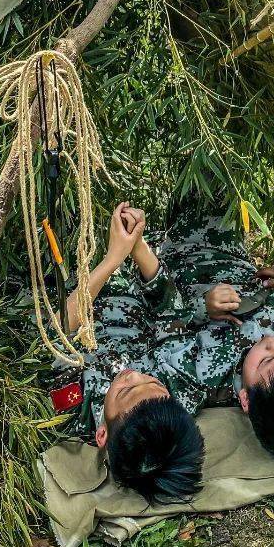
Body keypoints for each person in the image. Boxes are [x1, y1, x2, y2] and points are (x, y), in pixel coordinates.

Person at [144, 207, 274, 456]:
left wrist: (201, 308)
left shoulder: (206, 378)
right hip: (231, 250)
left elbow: (164, 330)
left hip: (178, 262)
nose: (273, 342)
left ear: (246, 400)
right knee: (220, 180)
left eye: (266, 360)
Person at [59, 203, 205, 503]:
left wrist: (113, 258)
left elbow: (56, 333)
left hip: (63, 266)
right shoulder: (178, 399)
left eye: (124, 393)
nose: (134, 375)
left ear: (102, 434)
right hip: (128, 271)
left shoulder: (72, 407)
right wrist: (137, 247)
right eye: (154, 383)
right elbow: (171, 313)